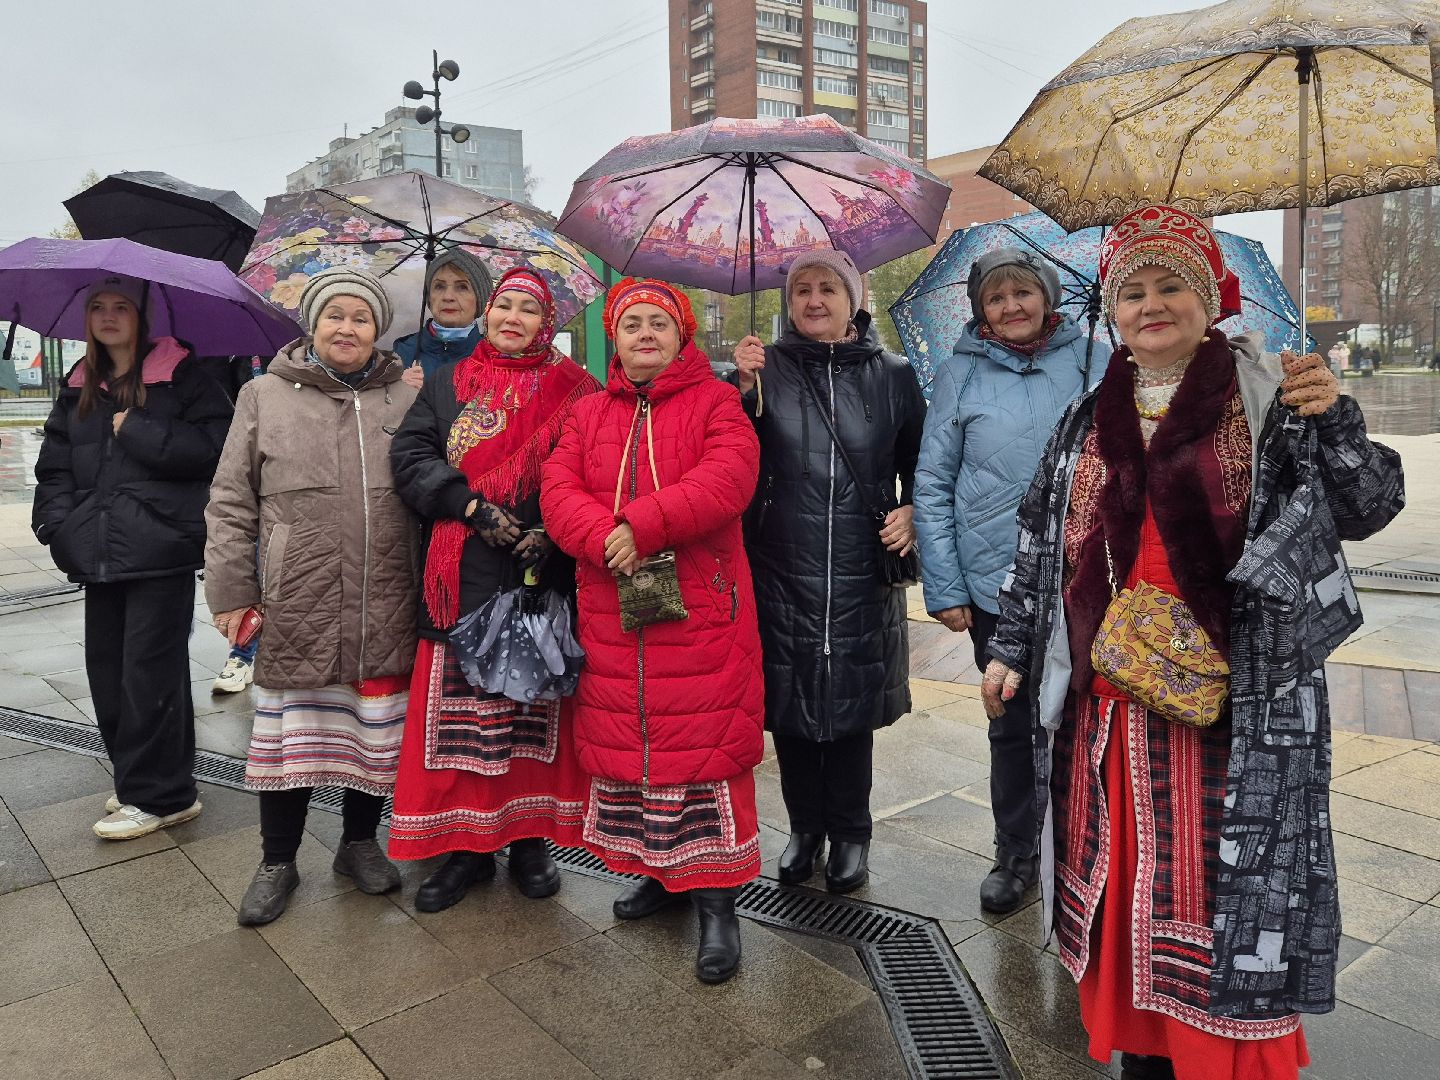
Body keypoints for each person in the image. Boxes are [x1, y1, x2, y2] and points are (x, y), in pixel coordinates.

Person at [982, 205, 1405, 1080]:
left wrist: (1333, 420)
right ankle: (1143, 1049)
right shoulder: (1080, 421)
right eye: (1131, 291)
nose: (1150, 304)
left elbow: (1367, 509)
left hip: (1235, 708)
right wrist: (1011, 650)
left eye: (1171, 284)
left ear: (1211, 299)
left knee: (1224, 900)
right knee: (1129, 887)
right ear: (1112, 314)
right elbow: (1039, 544)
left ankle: (1219, 1060)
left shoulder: (1274, 403)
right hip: (1110, 706)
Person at [541, 278, 763, 984]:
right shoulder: (588, 412)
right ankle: (658, 876)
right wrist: (601, 534)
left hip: (701, 612)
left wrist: (646, 523)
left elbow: (730, 477)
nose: (644, 334)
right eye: (631, 323)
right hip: (612, 611)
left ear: (681, 336)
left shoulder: (718, 402)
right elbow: (558, 486)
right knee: (635, 755)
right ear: (615, 335)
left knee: (703, 755)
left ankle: (717, 903)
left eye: (658, 324)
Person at [204, 267, 422, 926]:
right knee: (292, 738)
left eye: (361, 318)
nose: (347, 328)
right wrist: (232, 590)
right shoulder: (264, 395)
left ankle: (359, 844)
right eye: (336, 316)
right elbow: (230, 498)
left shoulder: (403, 400)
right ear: (313, 325)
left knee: (372, 735)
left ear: (377, 330)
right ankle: (278, 861)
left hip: (386, 594)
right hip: (295, 595)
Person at [386, 268, 599, 911]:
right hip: (465, 575)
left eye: (527, 309)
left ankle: (532, 842)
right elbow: (412, 459)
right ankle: (468, 851)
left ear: (547, 323)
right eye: (503, 305)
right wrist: (472, 506)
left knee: (531, 718)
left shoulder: (577, 389)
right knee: (467, 724)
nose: (512, 317)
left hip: (541, 581)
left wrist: (553, 534)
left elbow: (592, 468)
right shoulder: (449, 384)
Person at [914, 247, 1106, 914]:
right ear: (980, 311)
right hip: (996, 586)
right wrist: (946, 587)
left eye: (1023, 293)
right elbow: (933, 484)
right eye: (996, 298)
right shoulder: (958, 374)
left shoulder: (1098, 360)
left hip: (1085, 578)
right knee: (1013, 721)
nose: (1011, 306)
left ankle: (1085, 846)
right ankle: (1017, 851)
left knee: (1087, 718)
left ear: (1048, 298)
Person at [732, 249, 925, 893]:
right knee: (789, 702)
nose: (814, 301)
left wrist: (912, 507)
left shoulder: (894, 375)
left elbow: (925, 463)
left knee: (848, 703)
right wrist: (742, 390)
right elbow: (728, 456)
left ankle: (850, 832)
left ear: (854, 296)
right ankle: (804, 827)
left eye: (827, 289)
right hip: (780, 562)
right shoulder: (766, 372)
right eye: (801, 291)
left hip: (859, 567)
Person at [33, 275, 233, 840]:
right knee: (109, 674)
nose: (110, 315)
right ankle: (138, 777)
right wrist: (57, 526)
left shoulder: (184, 376)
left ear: (145, 317)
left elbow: (219, 451)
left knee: (151, 676)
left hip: (161, 548)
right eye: (98, 306)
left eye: (122, 306)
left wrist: (140, 428)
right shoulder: (80, 385)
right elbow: (54, 468)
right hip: (98, 552)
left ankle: (164, 796)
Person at [394, 249, 493, 390]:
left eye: (462, 287)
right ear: (429, 297)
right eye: (439, 286)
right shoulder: (401, 353)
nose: (448, 297)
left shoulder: (494, 360)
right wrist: (395, 388)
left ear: (480, 299)